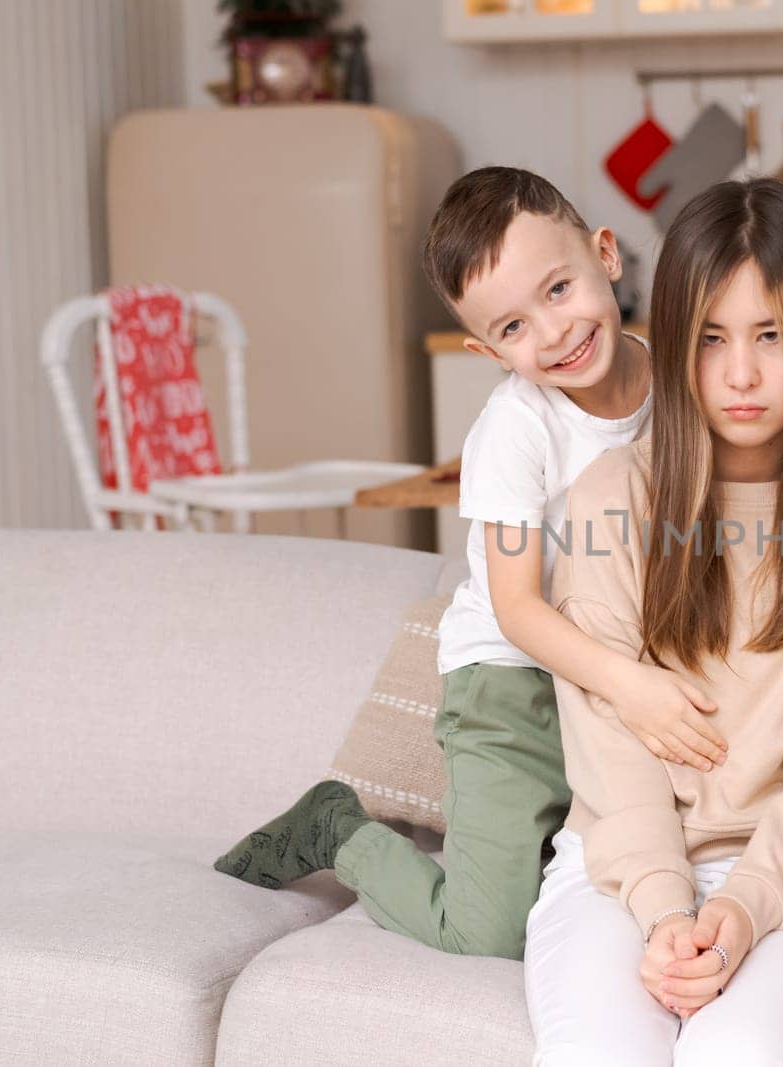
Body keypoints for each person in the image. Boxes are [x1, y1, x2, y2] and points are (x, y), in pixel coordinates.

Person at [212, 166, 728, 961]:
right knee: (489, 929)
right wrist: (632, 688)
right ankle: (338, 828)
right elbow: (519, 609)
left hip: (624, 666)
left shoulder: (681, 387)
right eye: (514, 328)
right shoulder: (516, 431)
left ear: (606, 256)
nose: (553, 333)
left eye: (558, 289)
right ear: (486, 350)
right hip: (512, 686)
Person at [524, 177, 783, 1066]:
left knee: (739, 1053)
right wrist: (666, 908)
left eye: (770, 336)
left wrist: (743, 907)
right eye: (710, 340)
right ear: (670, 349)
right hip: (615, 869)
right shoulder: (611, 496)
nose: (741, 374)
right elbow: (609, 745)